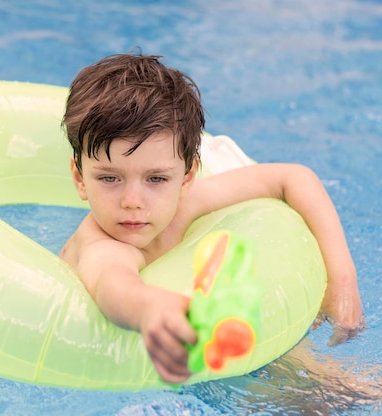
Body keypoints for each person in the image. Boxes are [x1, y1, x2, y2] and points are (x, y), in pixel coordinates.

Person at [59, 53, 364, 384]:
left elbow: (293, 178)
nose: (133, 202)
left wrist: (342, 281)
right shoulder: (102, 245)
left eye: (156, 179)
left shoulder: (184, 205)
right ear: (79, 178)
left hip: (221, 362)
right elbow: (112, 285)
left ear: (187, 177)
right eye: (109, 178)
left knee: (342, 382)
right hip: (122, 369)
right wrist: (154, 310)